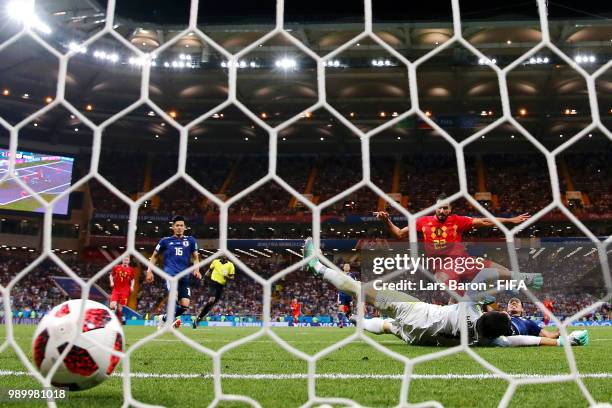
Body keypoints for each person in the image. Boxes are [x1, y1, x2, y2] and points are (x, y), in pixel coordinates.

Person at [302, 237, 588, 347]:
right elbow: (527, 341)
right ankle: (357, 322)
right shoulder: (489, 342)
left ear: (492, 313)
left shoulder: (470, 306)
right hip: (418, 339)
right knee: (389, 327)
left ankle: (317, 267)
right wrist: (568, 342)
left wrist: (518, 279)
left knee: (361, 290)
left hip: (413, 311)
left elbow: (487, 273)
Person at [374, 194, 543, 295]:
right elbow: (399, 233)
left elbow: (484, 221)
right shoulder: (422, 222)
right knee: (455, 293)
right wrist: (387, 220)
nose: (442, 211)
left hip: (463, 262)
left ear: (450, 209)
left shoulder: (458, 221)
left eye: (445, 208)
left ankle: (514, 284)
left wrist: (509, 220)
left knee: (505, 272)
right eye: (439, 208)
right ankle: (472, 308)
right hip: (442, 268)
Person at [146, 215, 201, 328]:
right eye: (177, 225)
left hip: (184, 276)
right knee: (174, 297)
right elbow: (154, 256)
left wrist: (197, 269)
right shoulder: (165, 241)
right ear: (173, 227)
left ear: (185, 227)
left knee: (185, 305)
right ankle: (170, 322)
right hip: (170, 275)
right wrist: (149, 271)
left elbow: (196, 258)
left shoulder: (190, 240)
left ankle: (165, 318)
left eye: (181, 225)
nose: (179, 227)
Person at [192, 256, 235, 328]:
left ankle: (199, 318)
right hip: (213, 282)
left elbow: (232, 277)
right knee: (212, 299)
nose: (225, 257)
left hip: (221, 285)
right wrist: (204, 278)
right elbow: (209, 270)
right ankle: (199, 318)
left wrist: (227, 277)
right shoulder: (215, 262)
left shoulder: (230, 265)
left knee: (213, 303)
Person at [109, 256, 135, 323]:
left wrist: (132, 286)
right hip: (116, 289)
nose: (126, 261)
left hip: (125, 291)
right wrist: (111, 282)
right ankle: (111, 319)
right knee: (112, 305)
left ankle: (118, 320)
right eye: (125, 259)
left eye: (127, 260)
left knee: (120, 308)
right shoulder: (116, 267)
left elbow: (133, 279)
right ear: (122, 260)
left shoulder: (131, 270)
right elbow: (111, 275)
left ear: (129, 261)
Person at [337, 263, 357, 328]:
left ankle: (354, 322)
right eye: (345, 266)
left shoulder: (352, 275)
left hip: (349, 294)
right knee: (340, 309)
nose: (346, 267)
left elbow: (355, 284)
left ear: (349, 268)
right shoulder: (339, 274)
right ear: (343, 268)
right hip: (342, 293)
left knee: (349, 310)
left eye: (348, 266)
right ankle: (340, 323)